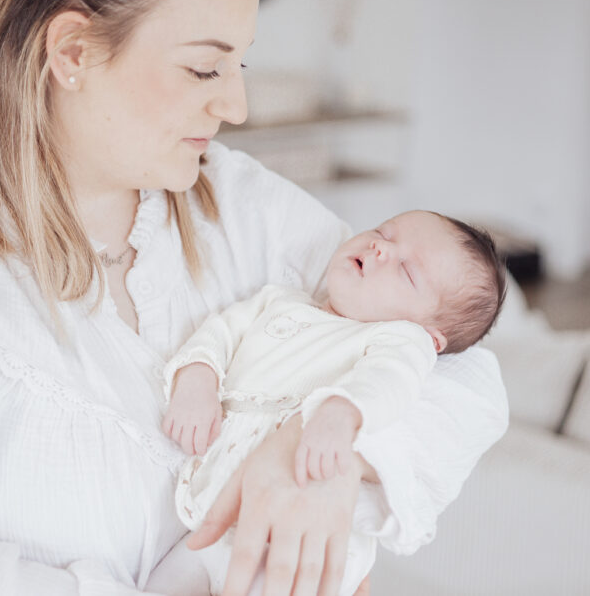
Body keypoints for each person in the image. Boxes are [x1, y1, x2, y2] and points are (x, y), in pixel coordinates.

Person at [0, 0, 509, 595]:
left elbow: (465, 371)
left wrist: (324, 458)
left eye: (240, 64)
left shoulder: (238, 203)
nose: (235, 105)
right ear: (72, 53)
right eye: (205, 70)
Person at [160, 210, 507, 596]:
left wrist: (343, 412)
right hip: (211, 515)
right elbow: (219, 333)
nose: (380, 247)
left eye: (407, 271)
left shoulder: (400, 341)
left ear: (429, 336)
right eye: (382, 231)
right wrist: (196, 379)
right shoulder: (277, 300)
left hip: (296, 542)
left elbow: (390, 382)